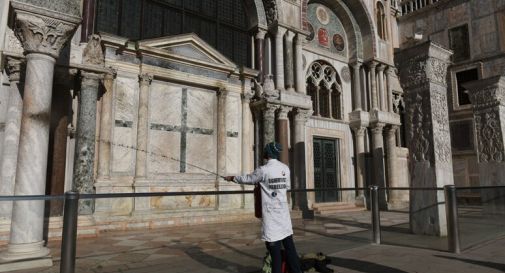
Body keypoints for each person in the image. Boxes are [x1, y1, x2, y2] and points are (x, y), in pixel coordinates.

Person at [225, 142, 302, 273]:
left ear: (267, 153)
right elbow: (287, 187)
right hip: (283, 215)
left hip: (271, 217)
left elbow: (249, 179)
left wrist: (232, 178)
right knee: (290, 249)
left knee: (275, 254)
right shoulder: (285, 168)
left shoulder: (263, 170)